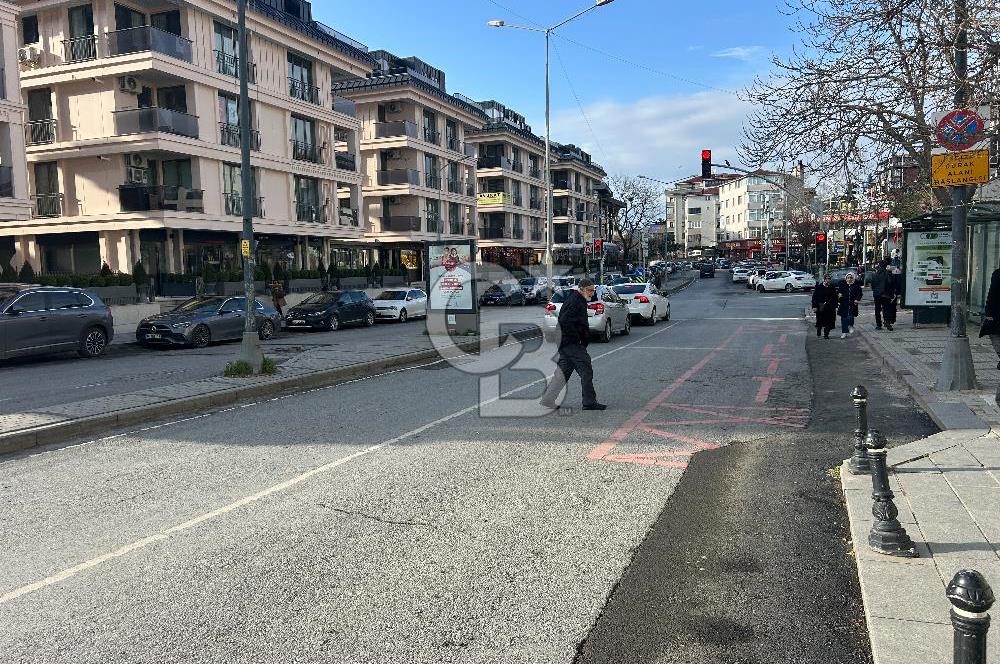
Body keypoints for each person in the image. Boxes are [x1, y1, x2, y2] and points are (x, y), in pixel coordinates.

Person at [539, 279, 606, 411]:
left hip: (566, 342)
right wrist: (577, 338)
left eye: (593, 290)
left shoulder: (577, 299)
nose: (592, 293)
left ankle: (548, 399)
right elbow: (564, 321)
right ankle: (589, 402)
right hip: (571, 343)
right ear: (581, 289)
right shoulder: (575, 301)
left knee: (563, 372)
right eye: (589, 290)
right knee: (586, 369)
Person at [980, 268, 1000, 369]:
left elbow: (992, 294)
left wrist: (988, 312)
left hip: (997, 314)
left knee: (994, 334)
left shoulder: (998, 273)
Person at [871, 259, 898, 331]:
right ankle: (887, 322)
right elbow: (891, 283)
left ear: (879, 265)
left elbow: (872, 286)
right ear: (886, 266)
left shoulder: (874, 275)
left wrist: (875, 291)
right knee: (886, 309)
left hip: (877, 294)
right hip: (886, 295)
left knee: (877, 309)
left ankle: (878, 325)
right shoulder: (888, 273)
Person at [837, 271, 863, 339]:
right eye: (848, 278)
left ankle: (850, 325)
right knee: (844, 318)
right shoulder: (842, 285)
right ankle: (844, 332)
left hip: (852, 304)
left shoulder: (856, 286)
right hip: (844, 304)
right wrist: (839, 295)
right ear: (846, 278)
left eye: (851, 278)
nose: (849, 279)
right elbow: (839, 293)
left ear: (853, 278)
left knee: (851, 316)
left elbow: (860, 294)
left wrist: (857, 299)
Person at [811, 273, 838, 339]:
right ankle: (819, 331)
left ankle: (826, 334)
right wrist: (814, 306)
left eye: (829, 279)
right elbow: (814, 297)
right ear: (824, 279)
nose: (828, 280)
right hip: (820, 306)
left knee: (829, 320)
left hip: (830, 306)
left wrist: (835, 306)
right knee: (820, 320)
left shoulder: (832, 287)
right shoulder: (819, 287)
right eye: (827, 279)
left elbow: (835, 297)